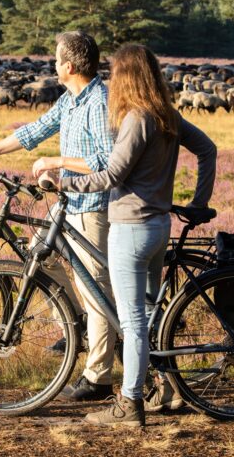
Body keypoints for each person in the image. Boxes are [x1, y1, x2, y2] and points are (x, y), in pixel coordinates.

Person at [38, 44, 217, 427]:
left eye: (116, 73)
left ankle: (130, 404)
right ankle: (162, 392)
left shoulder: (137, 118)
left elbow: (112, 175)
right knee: (149, 317)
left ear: (126, 76)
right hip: (158, 227)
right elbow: (208, 149)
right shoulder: (167, 114)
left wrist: (64, 182)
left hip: (131, 230)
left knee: (133, 322)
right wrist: (199, 203)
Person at [0, 30, 119, 401]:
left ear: (70, 65)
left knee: (96, 290)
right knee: (39, 257)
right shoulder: (71, 101)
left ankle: (98, 377)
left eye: (57, 59)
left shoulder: (98, 102)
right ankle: (78, 325)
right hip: (69, 205)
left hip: (94, 206)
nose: (54, 65)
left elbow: (107, 160)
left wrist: (57, 164)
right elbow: (34, 132)